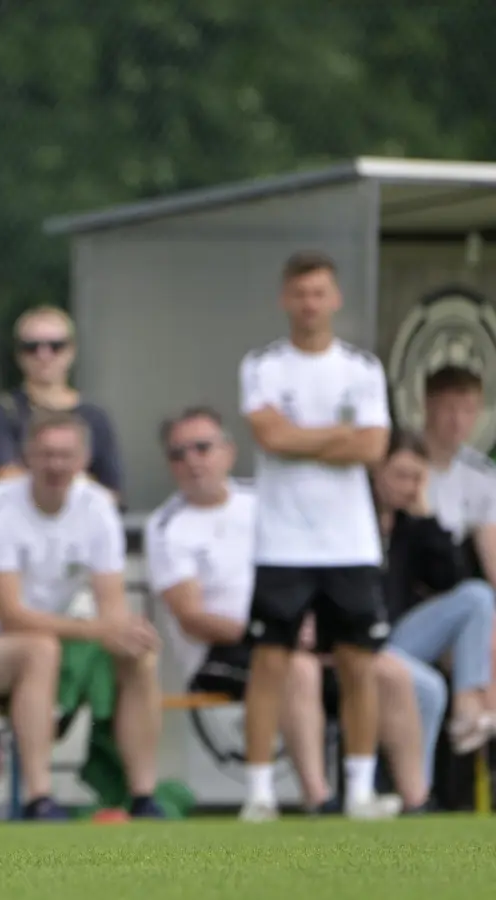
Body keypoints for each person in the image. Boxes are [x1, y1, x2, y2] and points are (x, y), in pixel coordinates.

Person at [147, 406, 436, 814]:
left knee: (388, 671)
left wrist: (316, 622)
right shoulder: (168, 525)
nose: (192, 461)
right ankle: (319, 799)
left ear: (228, 452)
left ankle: (416, 801)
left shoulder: (262, 501)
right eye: (179, 454)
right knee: (295, 668)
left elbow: (312, 567)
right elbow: (191, 617)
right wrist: (275, 629)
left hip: (294, 626)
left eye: (202, 448)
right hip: (225, 650)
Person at [0, 409, 164, 821]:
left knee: (137, 650)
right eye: (46, 454)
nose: (56, 464)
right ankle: (39, 798)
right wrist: (99, 629)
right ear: (26, 457)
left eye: (65, 454)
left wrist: (123, 634)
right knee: (39, 649)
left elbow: (112, 610)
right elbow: (11, 614)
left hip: (47, 639)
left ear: (84, 459)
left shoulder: (97, 508)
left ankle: (142, 797)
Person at [237, 250, 398, 821]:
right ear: (286, 299)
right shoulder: (262, 366)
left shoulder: (362, 368)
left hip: (349, 543)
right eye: (300, 293)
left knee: (359, 664)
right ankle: (259, 792)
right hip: (282, 542)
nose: (309, 304)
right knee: (271, 663)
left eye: (319, 293)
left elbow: (374, 447)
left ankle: (357, 789)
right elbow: (269, 437)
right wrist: (339, 435)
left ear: (336, 298)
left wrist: (300, 434)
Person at [372, 428, 496, 754]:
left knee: (477, 596)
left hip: (399, 639)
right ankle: (419, 796)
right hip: (360, 642)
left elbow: (450, 579)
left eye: (417, 477)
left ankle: (468, 703)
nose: (408, 486)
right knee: (430, 688)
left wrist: (426, 514)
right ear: (376, 469)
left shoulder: (410, 525)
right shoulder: (354, 520)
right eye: (400, 475)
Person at [0, 305, 122, 503]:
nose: (44, 355)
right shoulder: (1, 413)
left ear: (72, 351)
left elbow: (111, 493)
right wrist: (79, 479)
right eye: (31, 347)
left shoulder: (96, 416)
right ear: (18, 354)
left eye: (56, 346)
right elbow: (4, 477)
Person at [419, 365, 496, 711]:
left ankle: (476, 728)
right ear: (428, 405)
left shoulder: (480, 474)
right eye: (450, 408)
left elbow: (491, 552)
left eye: (468, 410)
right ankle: (471, 716)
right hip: (414, 594)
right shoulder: (405, 461)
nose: (458, 421)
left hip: (461, 597)